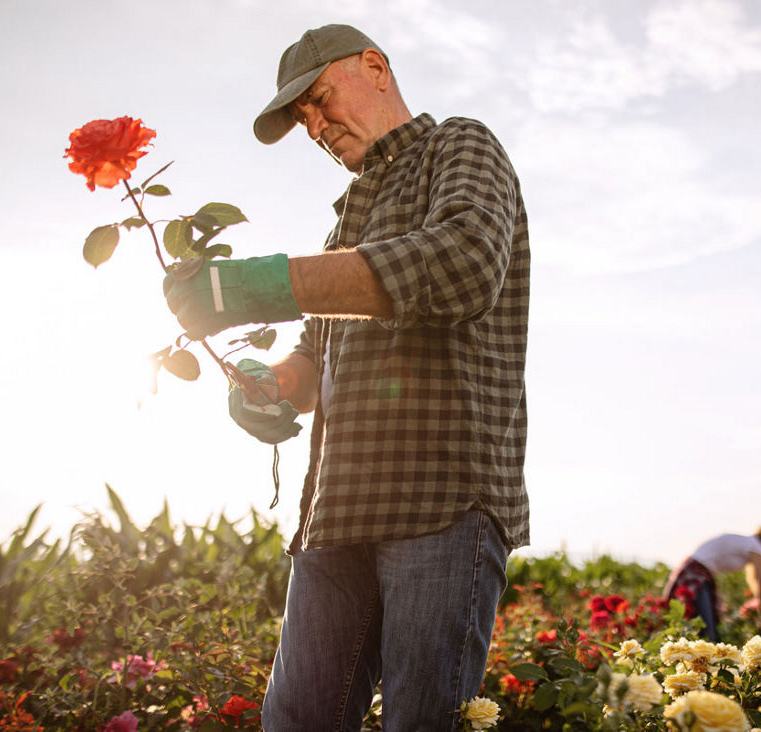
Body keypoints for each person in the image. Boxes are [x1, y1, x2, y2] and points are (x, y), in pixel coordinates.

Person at [161, 24, 530, 731]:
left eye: (321, 99)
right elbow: (313, 360)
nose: (317, 126)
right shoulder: (343, 226)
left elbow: (463, 260)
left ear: (375, 67)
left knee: (420, 723)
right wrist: (267, 385)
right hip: (335, 513)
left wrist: (265, 283)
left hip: (439, 501)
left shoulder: (460, 145)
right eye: (303, 119)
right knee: (296, 722)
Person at [662, 524, 761, 642]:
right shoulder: (757, 546)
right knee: (707, 633)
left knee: (703, 629)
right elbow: (760, 585)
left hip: (697, 573)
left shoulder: (748, 544)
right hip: (696, 575)